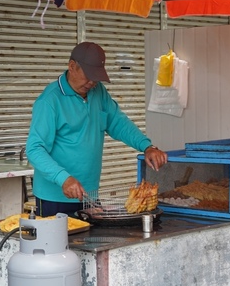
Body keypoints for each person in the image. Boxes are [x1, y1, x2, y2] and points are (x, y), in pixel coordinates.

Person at [26, 41, 168, 216]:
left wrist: (146, 146)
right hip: (55, 199)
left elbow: (118, 123)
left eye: (96, 77)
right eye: (88, 76)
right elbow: (34, 149)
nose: (92, 82)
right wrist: (64, 179)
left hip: (89, 195)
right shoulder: (49, 101)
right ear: (72, 66)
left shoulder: (98, 92)